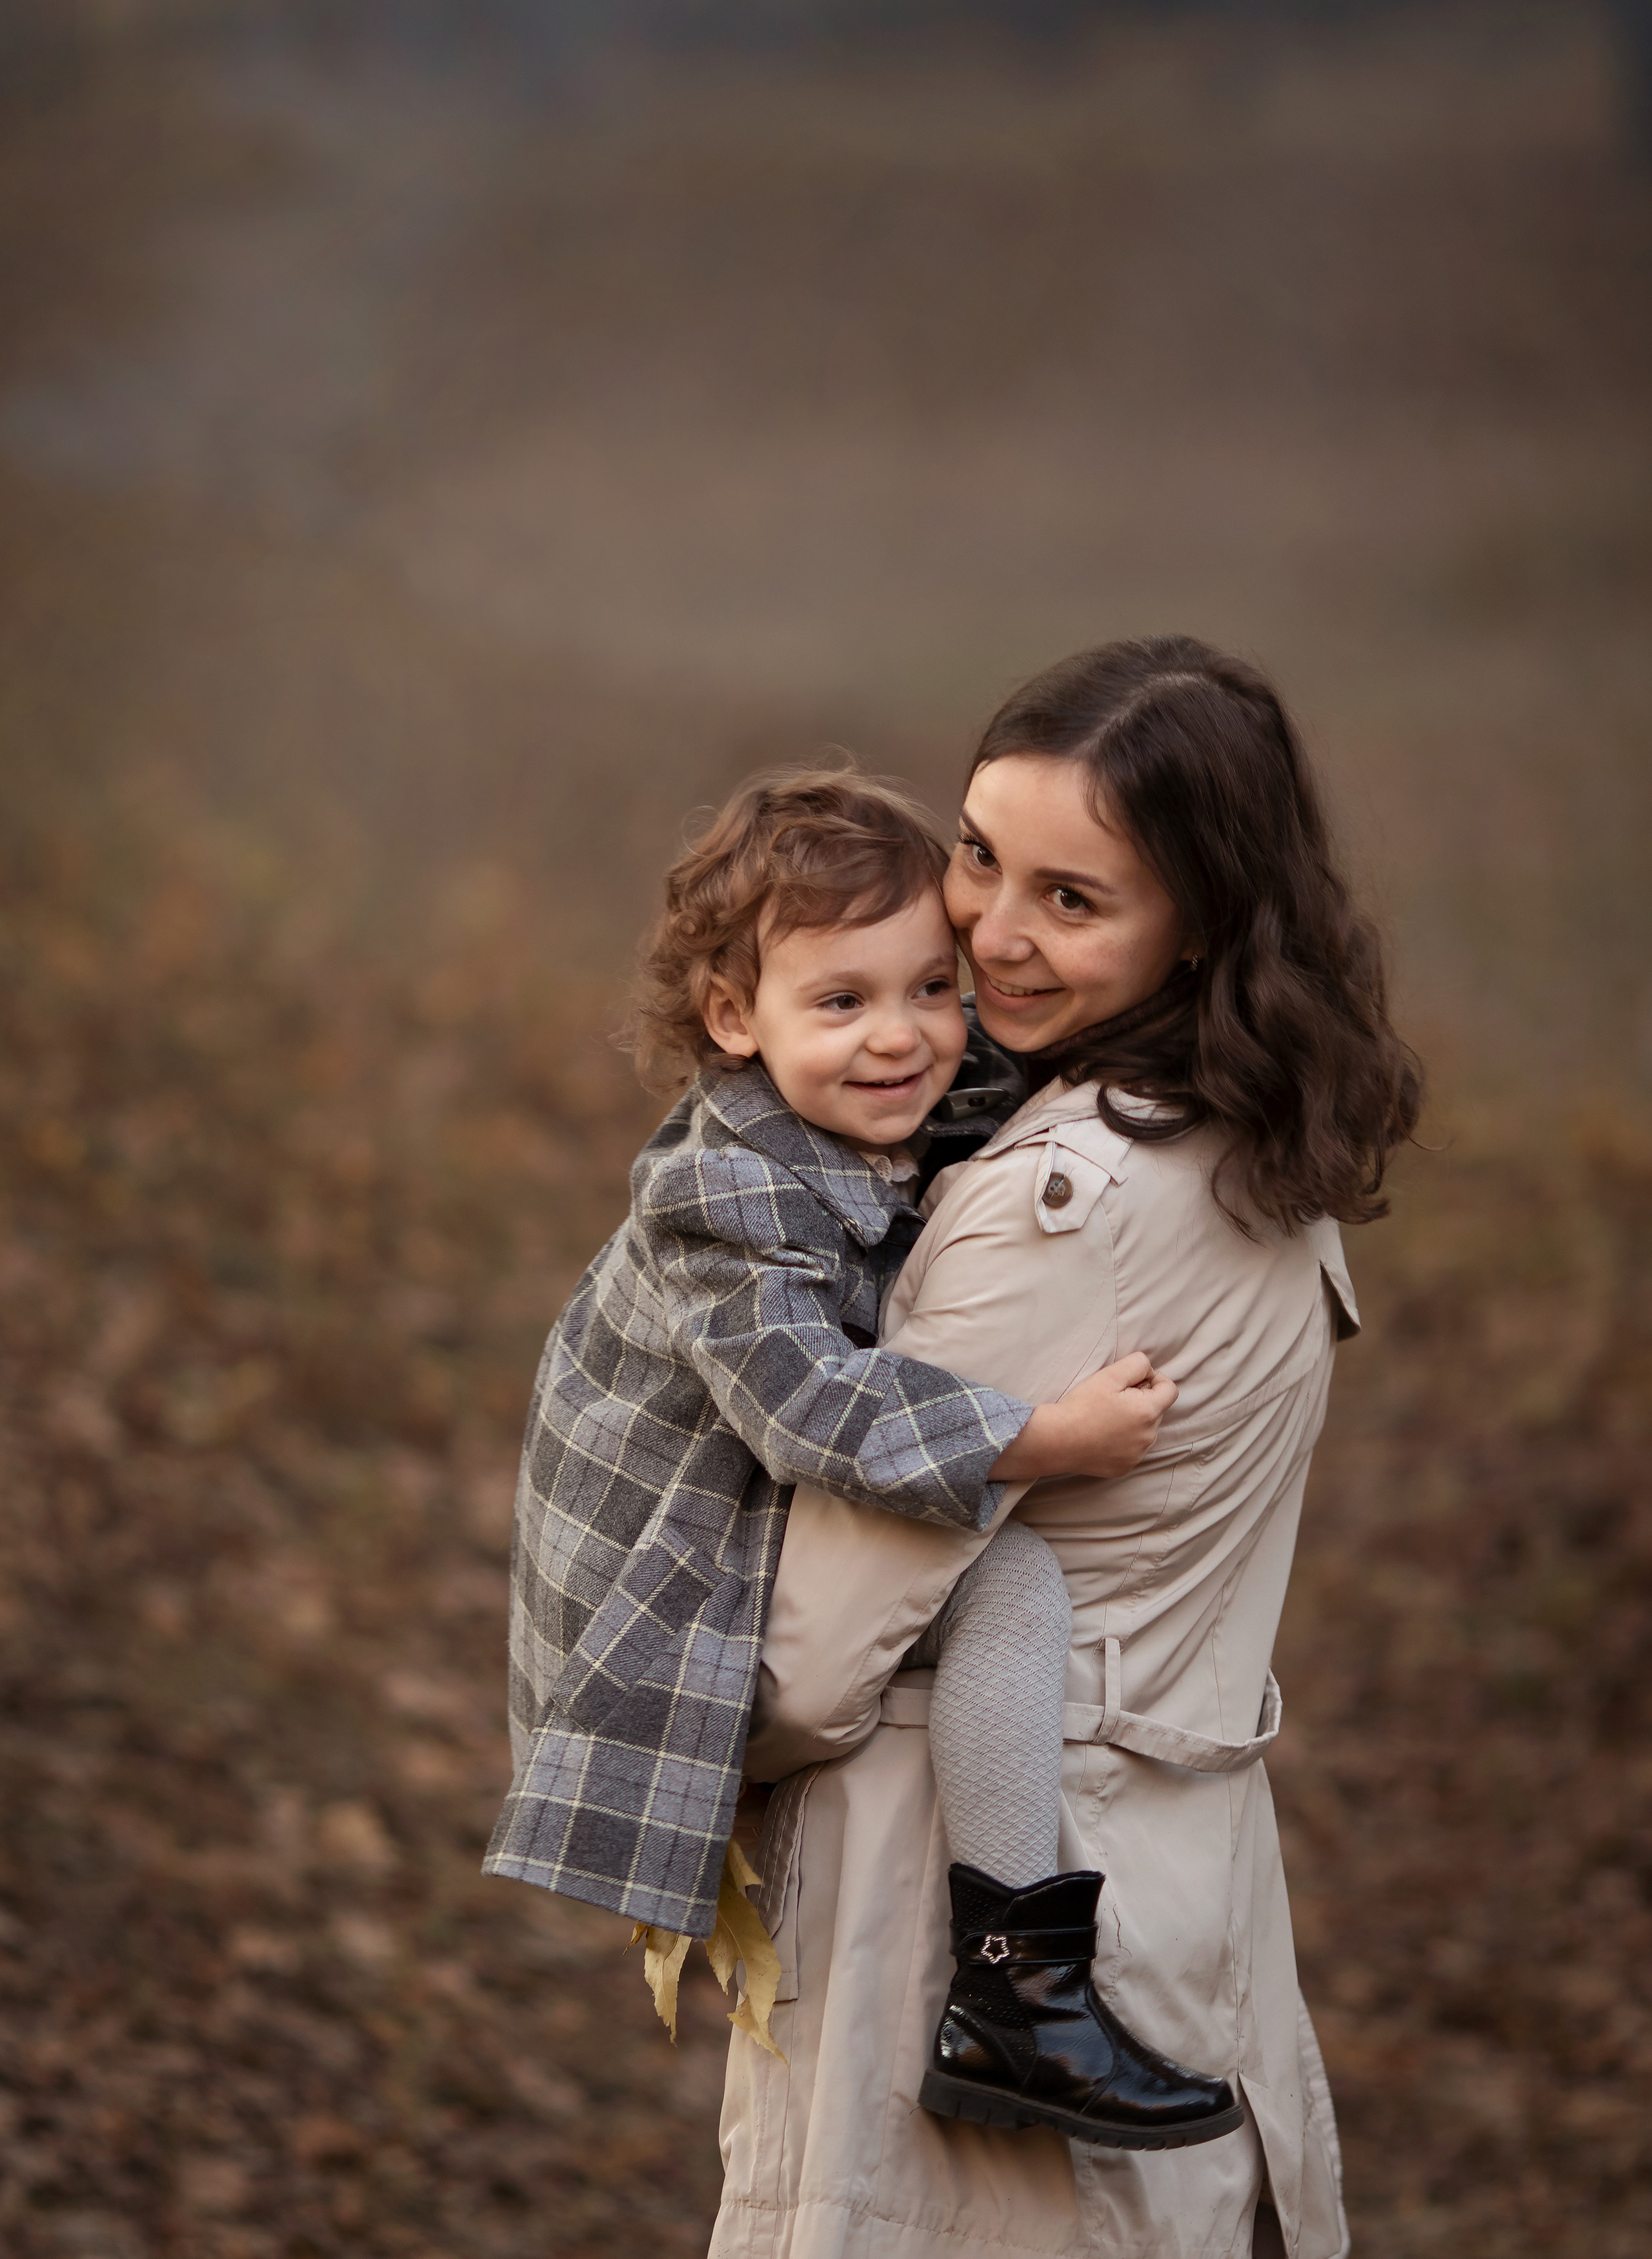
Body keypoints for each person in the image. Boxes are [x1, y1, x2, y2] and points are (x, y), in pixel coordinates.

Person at [718, 636, 1422, 2259]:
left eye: (1072, 899)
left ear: (1201, 923)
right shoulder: (1251, 1136)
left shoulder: (1063, 1199)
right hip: (1171, 1874)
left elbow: (816, 1654)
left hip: (988, 1913)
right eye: (979, 855)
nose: (988, 930)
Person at [484, 766, 1226, 2140]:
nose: (901, 1040)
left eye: (929, 989)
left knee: (1000, 1595)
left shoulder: (875, 1100)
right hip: (666, 1599)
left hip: (736, 1528)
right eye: (840, 1003)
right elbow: (806, 1404)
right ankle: (1012, 1992)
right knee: (1012, 1591)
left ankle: (1013, 1980)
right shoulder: (721, 1192)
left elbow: (1018, 1078)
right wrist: (1030, 1436)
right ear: (731, 1020)